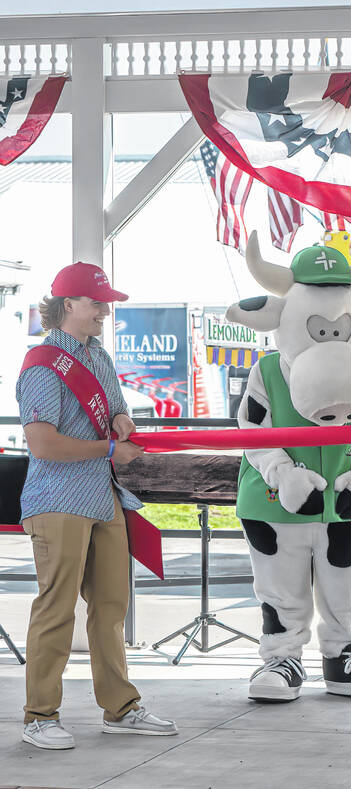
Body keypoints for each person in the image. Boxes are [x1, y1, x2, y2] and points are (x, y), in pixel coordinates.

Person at [16, 262, 178, 750]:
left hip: (102, 496)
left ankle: (120, 708)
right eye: (97, 302)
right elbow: (42, 445)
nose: (105, 311)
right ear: (68, 304)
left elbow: (114, 409)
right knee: (56, 608)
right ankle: (39, 715)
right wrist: (110, 449)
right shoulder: (41, 362)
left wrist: (122, 420)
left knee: (111, 607)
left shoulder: (99, 356)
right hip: (58, 499)